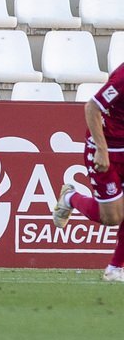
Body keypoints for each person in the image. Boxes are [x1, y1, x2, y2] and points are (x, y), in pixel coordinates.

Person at [52, 63, 124, 283]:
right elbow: (92, 107)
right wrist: (102, 150)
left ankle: (115, 268)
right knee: (112, 217)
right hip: (107, 148)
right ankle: (70, 197)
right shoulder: (122, 77)